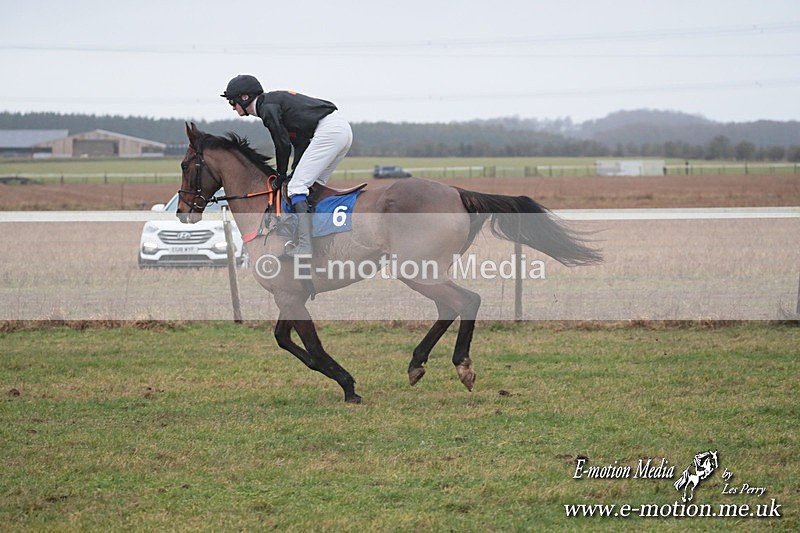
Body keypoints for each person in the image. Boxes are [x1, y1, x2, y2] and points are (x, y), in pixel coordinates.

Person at [221, 74, 353, 257]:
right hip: (340, 130)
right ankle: (317, 238)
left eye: (232, 102)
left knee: (297, 187)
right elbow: (300, 143)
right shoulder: (273, 104)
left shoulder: (266, 108)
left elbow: (282, 144)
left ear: (244, 98)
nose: (233, 107)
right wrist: (293, 171)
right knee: (311, 187)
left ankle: (305, 246)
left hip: (329, 132)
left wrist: (281, 174)